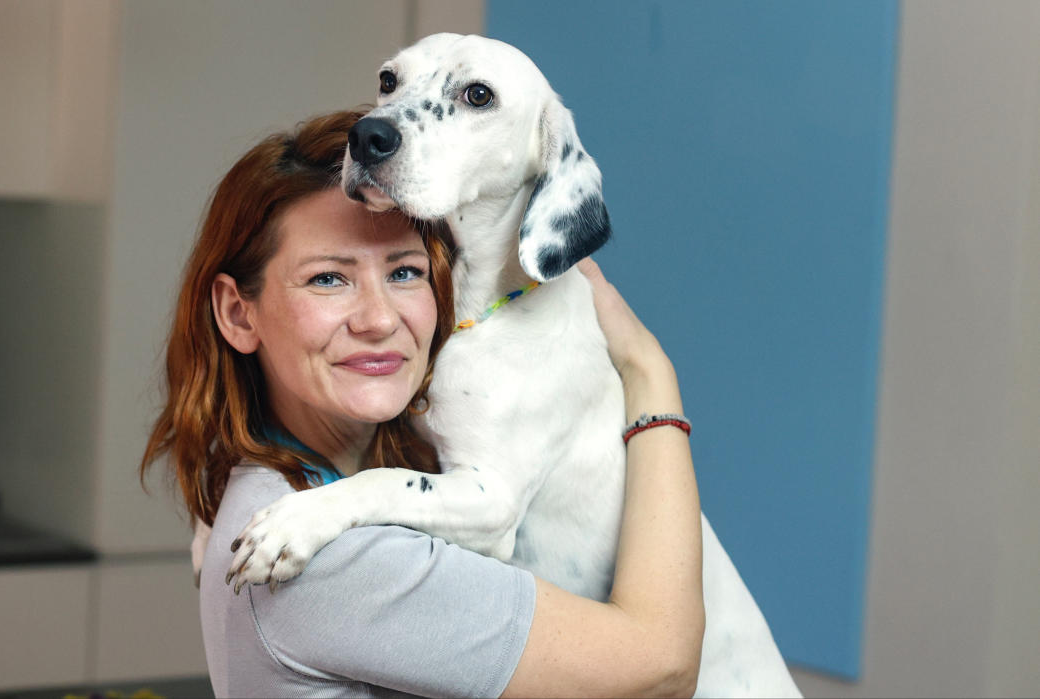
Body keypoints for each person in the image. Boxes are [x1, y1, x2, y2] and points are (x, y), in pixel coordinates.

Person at [140, 110, 704, 698]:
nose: (380, 319)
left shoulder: (274, 486)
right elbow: (663, 666)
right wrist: (649, 370)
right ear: (238, 312)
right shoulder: (334, 558)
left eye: (406, 271)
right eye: (328, 279)